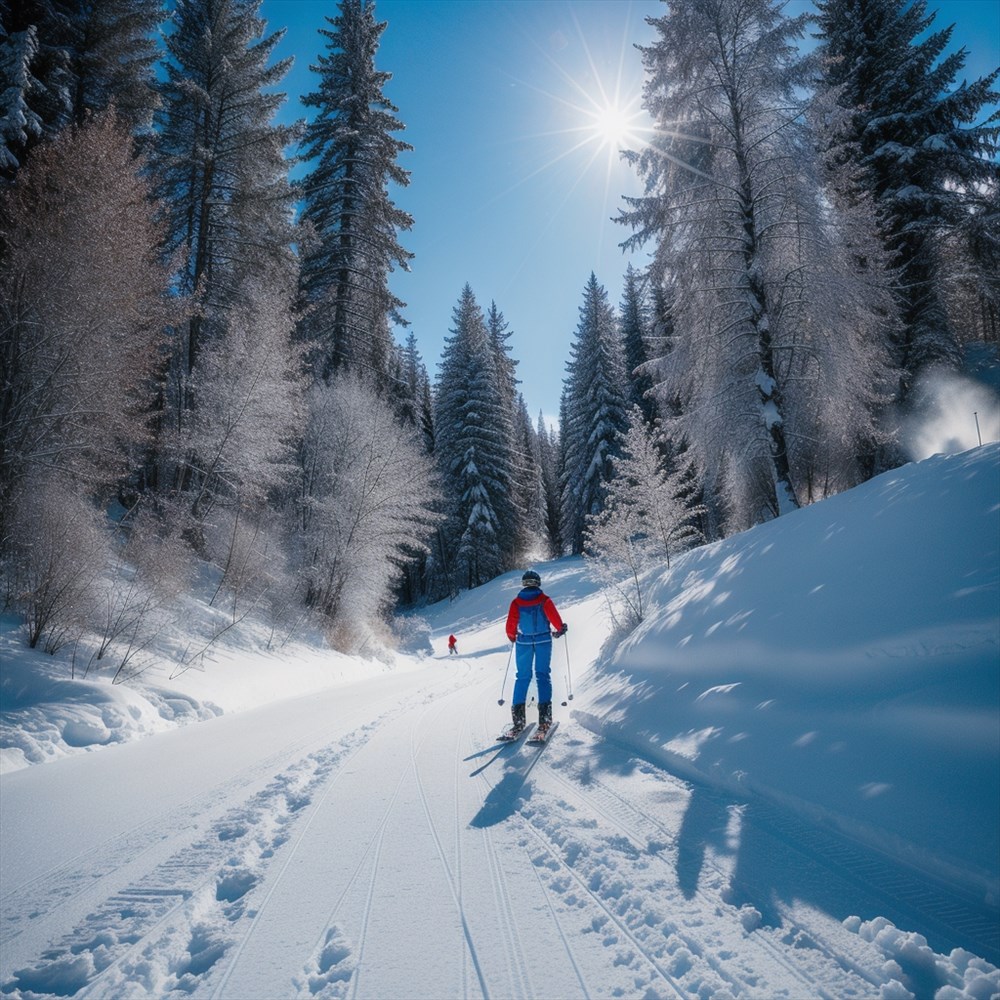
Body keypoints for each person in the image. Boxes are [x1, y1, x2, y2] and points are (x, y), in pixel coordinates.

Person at [505, 569, 566, 737]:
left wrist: (512, 636)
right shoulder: (544, 600)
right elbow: (555, 619)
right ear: (538, 582)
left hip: (523, 642)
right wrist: (560, 629)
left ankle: (518, 722)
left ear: (524, 584)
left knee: (523, 677)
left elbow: (511, 624)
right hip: (543, 641)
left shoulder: (516, 603)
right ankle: (544, 720)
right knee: (542, 676)